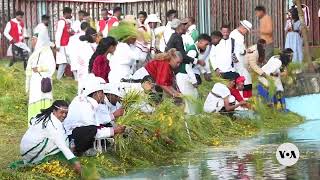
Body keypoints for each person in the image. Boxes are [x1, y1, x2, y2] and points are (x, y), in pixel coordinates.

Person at [63, 75, 126, 156]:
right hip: (73, 135)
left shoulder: (86, 101)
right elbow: (93, 131)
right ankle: (78, 150)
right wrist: (113, 131)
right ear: (97, 93)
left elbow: (98, 121)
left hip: (78, 132)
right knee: (93, 130)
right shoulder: (85, 106)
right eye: (102, 92)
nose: (104, 95)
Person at [20, 100, 81, 174]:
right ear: (54, 111)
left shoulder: (46, 116)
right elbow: (61, 145)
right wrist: (74, 161)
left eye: (66, 113)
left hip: (27, 151)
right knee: (63, 140)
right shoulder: (52, 124)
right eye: (61, 112)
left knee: (63, 137)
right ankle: (42, 161)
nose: (64, 115)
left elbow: (31, 121)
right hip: (33, 153)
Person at [26, 45, 56, 121]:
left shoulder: (47, 51)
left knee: (44, 99)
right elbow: (29, 67)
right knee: (34, 100)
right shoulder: (35, 52)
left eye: (35, 39)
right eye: (32, 39)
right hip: (34, 81)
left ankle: (45, 120)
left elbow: (51, 66)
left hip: (44, 81)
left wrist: (39, 69)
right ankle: (34, 120)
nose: (33, 42)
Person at [230, 20, 253, 98]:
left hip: (238, 60)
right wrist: (246, 51)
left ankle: (242, 98)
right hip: (237, 60)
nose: (246, 32)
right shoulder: (237, 36)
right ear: (243, 28)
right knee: (244, 79)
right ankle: (244, 98)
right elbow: (240, 50)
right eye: (246, 31)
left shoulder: (235, 33)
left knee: (242, 79)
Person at [74, 28, 98, 92]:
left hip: (89, 70)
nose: (96, 37)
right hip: (85, 70)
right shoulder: (84, 46)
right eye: (95, 35)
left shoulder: (95, 45)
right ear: (90, 36)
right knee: (84, 88)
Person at [55, 7, 73, 80]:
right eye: (70, 13)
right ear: (66, 13)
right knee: (68, 61)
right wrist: (58, 45)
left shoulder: (66, 21)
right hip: (63, 45)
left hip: (66, 45)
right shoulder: (61, 22)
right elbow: (58, 34)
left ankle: (58, 78)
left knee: (64, 62)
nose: (71, 15)